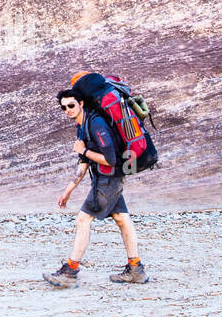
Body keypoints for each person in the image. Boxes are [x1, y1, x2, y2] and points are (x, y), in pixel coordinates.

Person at [43, 88, 148, 288]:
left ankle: (70, 271)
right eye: (63, 107)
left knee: (83, 219)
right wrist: (68, 191)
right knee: (121, 219)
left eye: (71, 105)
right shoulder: (82, 126)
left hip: (108, 179)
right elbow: (83, 162)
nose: (67, 110)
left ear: (81, 103)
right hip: (108, 179)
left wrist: (84, 150)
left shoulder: (96, 124)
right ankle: (136, 269)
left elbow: (110, 159)